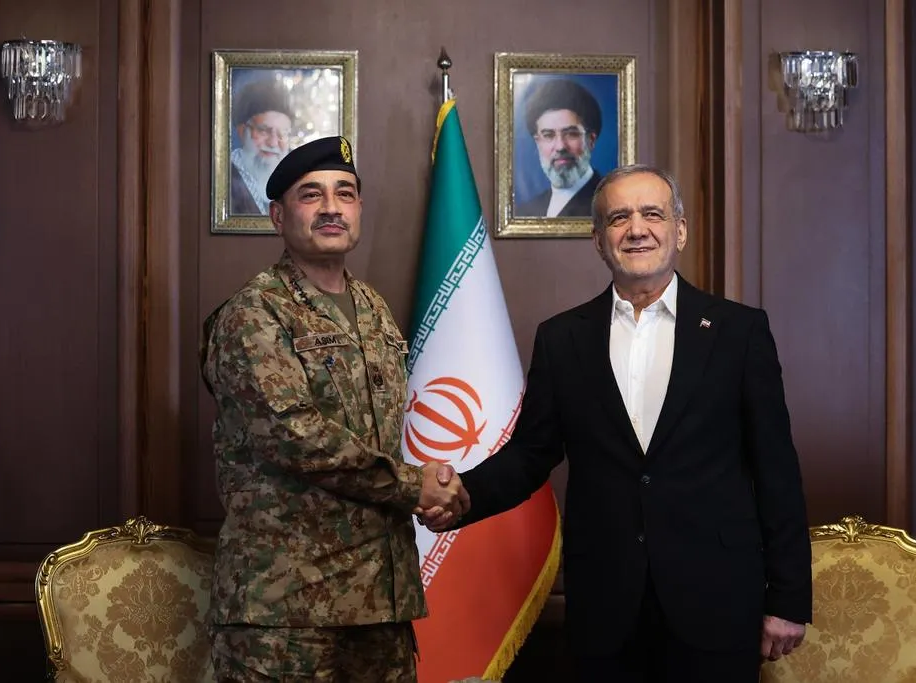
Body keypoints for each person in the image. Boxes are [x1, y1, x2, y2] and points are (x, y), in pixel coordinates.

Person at [422, 165, 812, 681]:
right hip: (605, 605)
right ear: (598, 240)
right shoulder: (562, 339)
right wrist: (461, 495)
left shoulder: (739, 331)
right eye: (619, 218)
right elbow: (532, 454)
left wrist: (788, 597)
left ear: (680, 231)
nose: (637, 229)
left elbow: (776, 469)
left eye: (652, 214)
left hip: (716, 602)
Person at [201, 135, 469, 682]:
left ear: (358, 209)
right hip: (286, 608)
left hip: (381, 599)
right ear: (278, 217)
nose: (331, 207)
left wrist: (434, 491)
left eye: (344, 193)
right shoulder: (255, 312)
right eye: (311, 195)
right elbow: (293, 435)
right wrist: (414, 486)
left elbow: (380, 436)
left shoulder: (373, 307)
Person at [514, 78, 603, 218]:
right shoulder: (524, 213)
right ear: (538, 143)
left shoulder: (609, 203)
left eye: (571, 134)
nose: (560, 146)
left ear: (591, 140)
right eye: (548, 135)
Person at [229, 79, 295, 215]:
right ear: (242, 131)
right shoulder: (223, 179)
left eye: (283, 134)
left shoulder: (295, 180)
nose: (273, 143)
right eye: (263, 131)